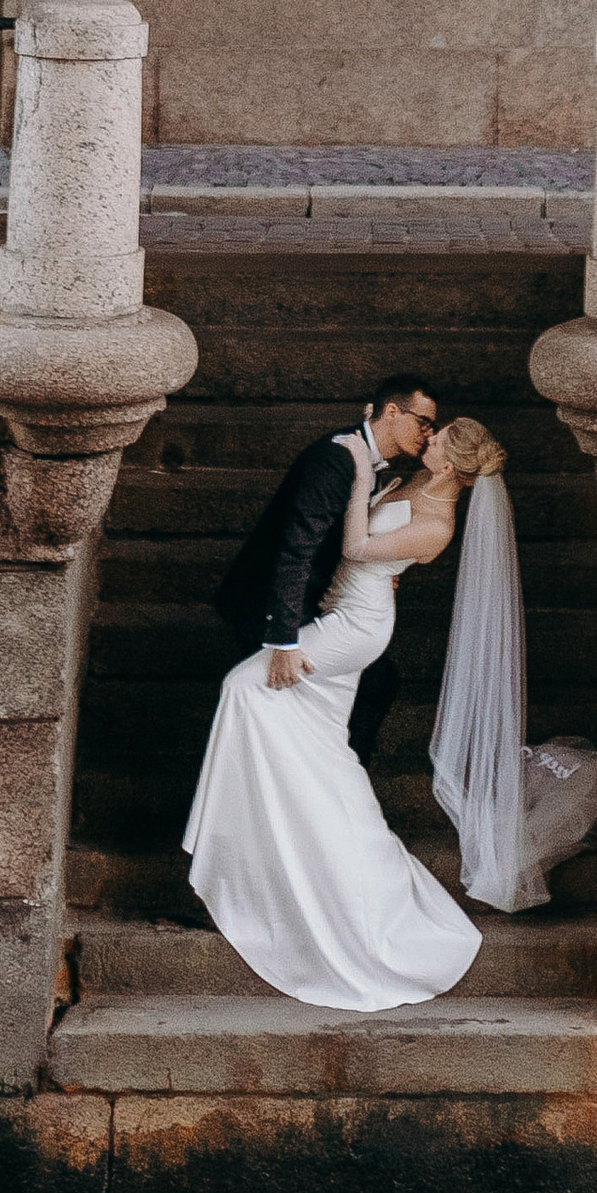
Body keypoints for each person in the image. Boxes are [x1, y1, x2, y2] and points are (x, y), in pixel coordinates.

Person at [183, 414, 506, 1010]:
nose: (427, 438)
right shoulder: (416, 486)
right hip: (338, 613)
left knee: (244, 688)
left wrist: (359, 473)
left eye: (437, 437)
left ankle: (246, 852)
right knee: (319, 747)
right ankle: (264, 853)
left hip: (356, 629)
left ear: (451, 461)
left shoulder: (437, 522)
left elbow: (358, 547)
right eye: (428, 428)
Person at [212, 374, 438, 767]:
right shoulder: (337, 458)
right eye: (423, 421)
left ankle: (340, 786)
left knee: (374, 685)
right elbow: (296, 548)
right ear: (391, 411)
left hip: (315, 604)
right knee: (287, 716)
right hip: (270, 608)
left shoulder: (368, 460)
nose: (428, 433)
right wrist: (283, 641)